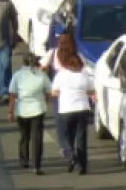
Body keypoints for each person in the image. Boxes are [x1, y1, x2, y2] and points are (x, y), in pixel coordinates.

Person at [50, 45, 95, 174]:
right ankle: (82, 166)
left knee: (66, 136)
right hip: (82, 109)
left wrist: (63, 94)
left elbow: (54, 92)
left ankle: (70, 154)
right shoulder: (84, 76)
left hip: (67, 109)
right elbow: (91, 91)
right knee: (81, 138)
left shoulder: (61, 75)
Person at [8, 52, 52, 174]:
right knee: (37, 138)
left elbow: (13, 94)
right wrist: (44, 101)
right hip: (38, 109)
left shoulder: (17, 75)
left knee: (24, 136)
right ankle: (37, 165)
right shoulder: (41, 75)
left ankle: (24, 160)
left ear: (23, 62)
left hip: (22, 110)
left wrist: (10, 111)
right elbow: (49, 92)